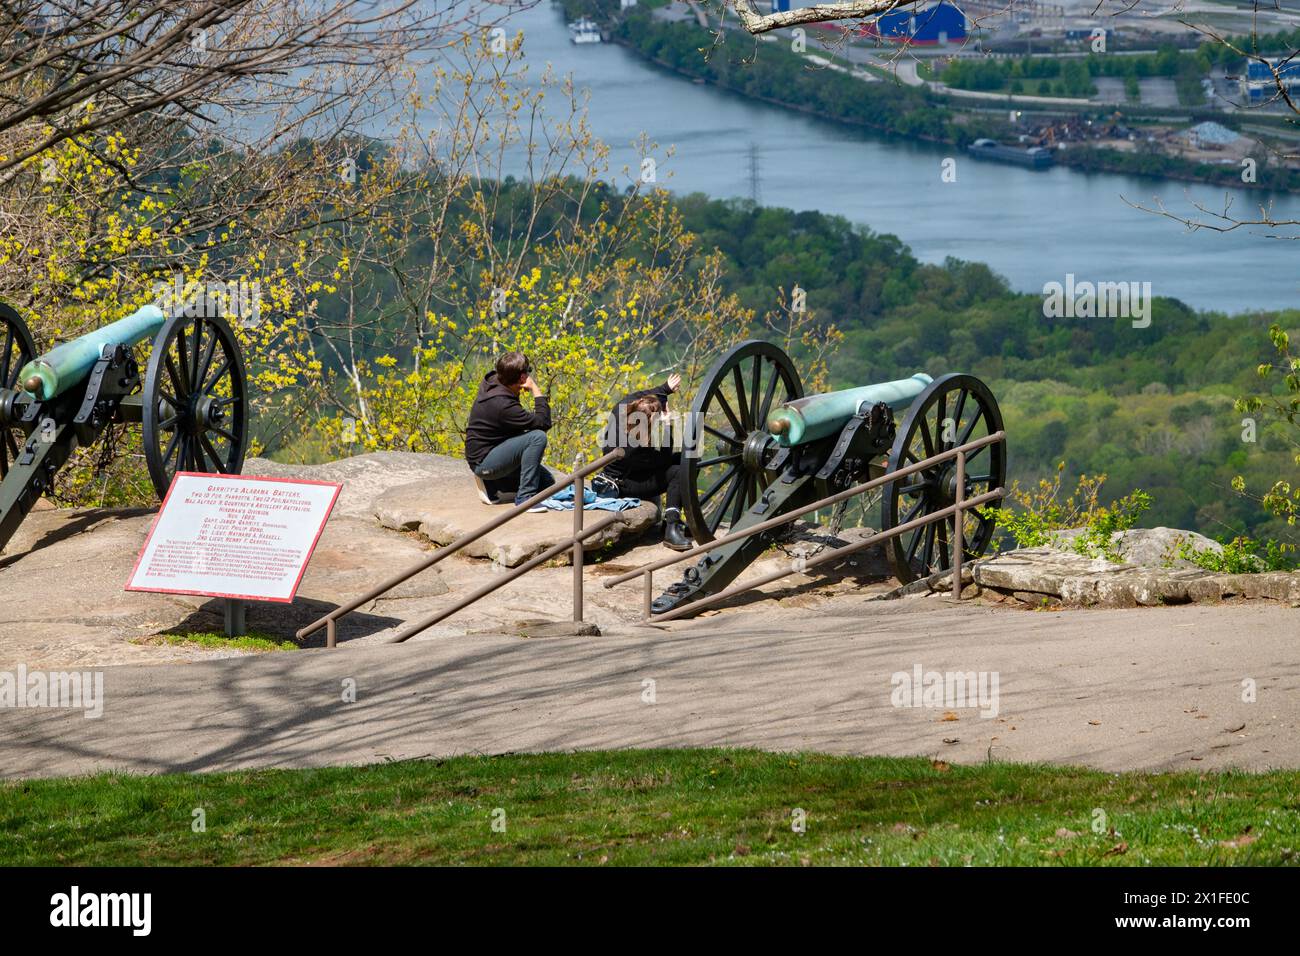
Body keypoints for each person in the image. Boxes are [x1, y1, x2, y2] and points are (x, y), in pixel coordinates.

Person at [600, 372, 693, 551]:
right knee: (680, 470)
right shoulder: (635, 446)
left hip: (629, 473)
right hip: (625, 484)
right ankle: (671, 526)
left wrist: (664, 389)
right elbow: (665, 459)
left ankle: (673, 520)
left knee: (687, 459)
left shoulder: (620, 411)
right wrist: (667, 426)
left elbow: (634, 396)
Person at [464, 352, 554, 511]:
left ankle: (493, 484)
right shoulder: (503, 405)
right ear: (522, 378)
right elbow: (544, 422)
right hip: (484, 461)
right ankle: (525, 498)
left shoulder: (495, 382)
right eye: (528, 371)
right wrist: (535, 389)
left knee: (547, 484)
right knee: (537, 437)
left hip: (492, 450)